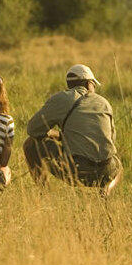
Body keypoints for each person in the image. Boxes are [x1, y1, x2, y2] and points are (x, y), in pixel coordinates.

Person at [23, 64, 122, 196]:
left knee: (30, 144)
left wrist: (53, 134)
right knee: (118, 166)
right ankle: (106, 190)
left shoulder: (61, 99)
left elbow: (33, 130)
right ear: (88, 84)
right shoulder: (104, 102)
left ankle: (45, 194)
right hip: (106, 172)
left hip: (76, 172)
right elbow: (111, 140)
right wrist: (62, 136)